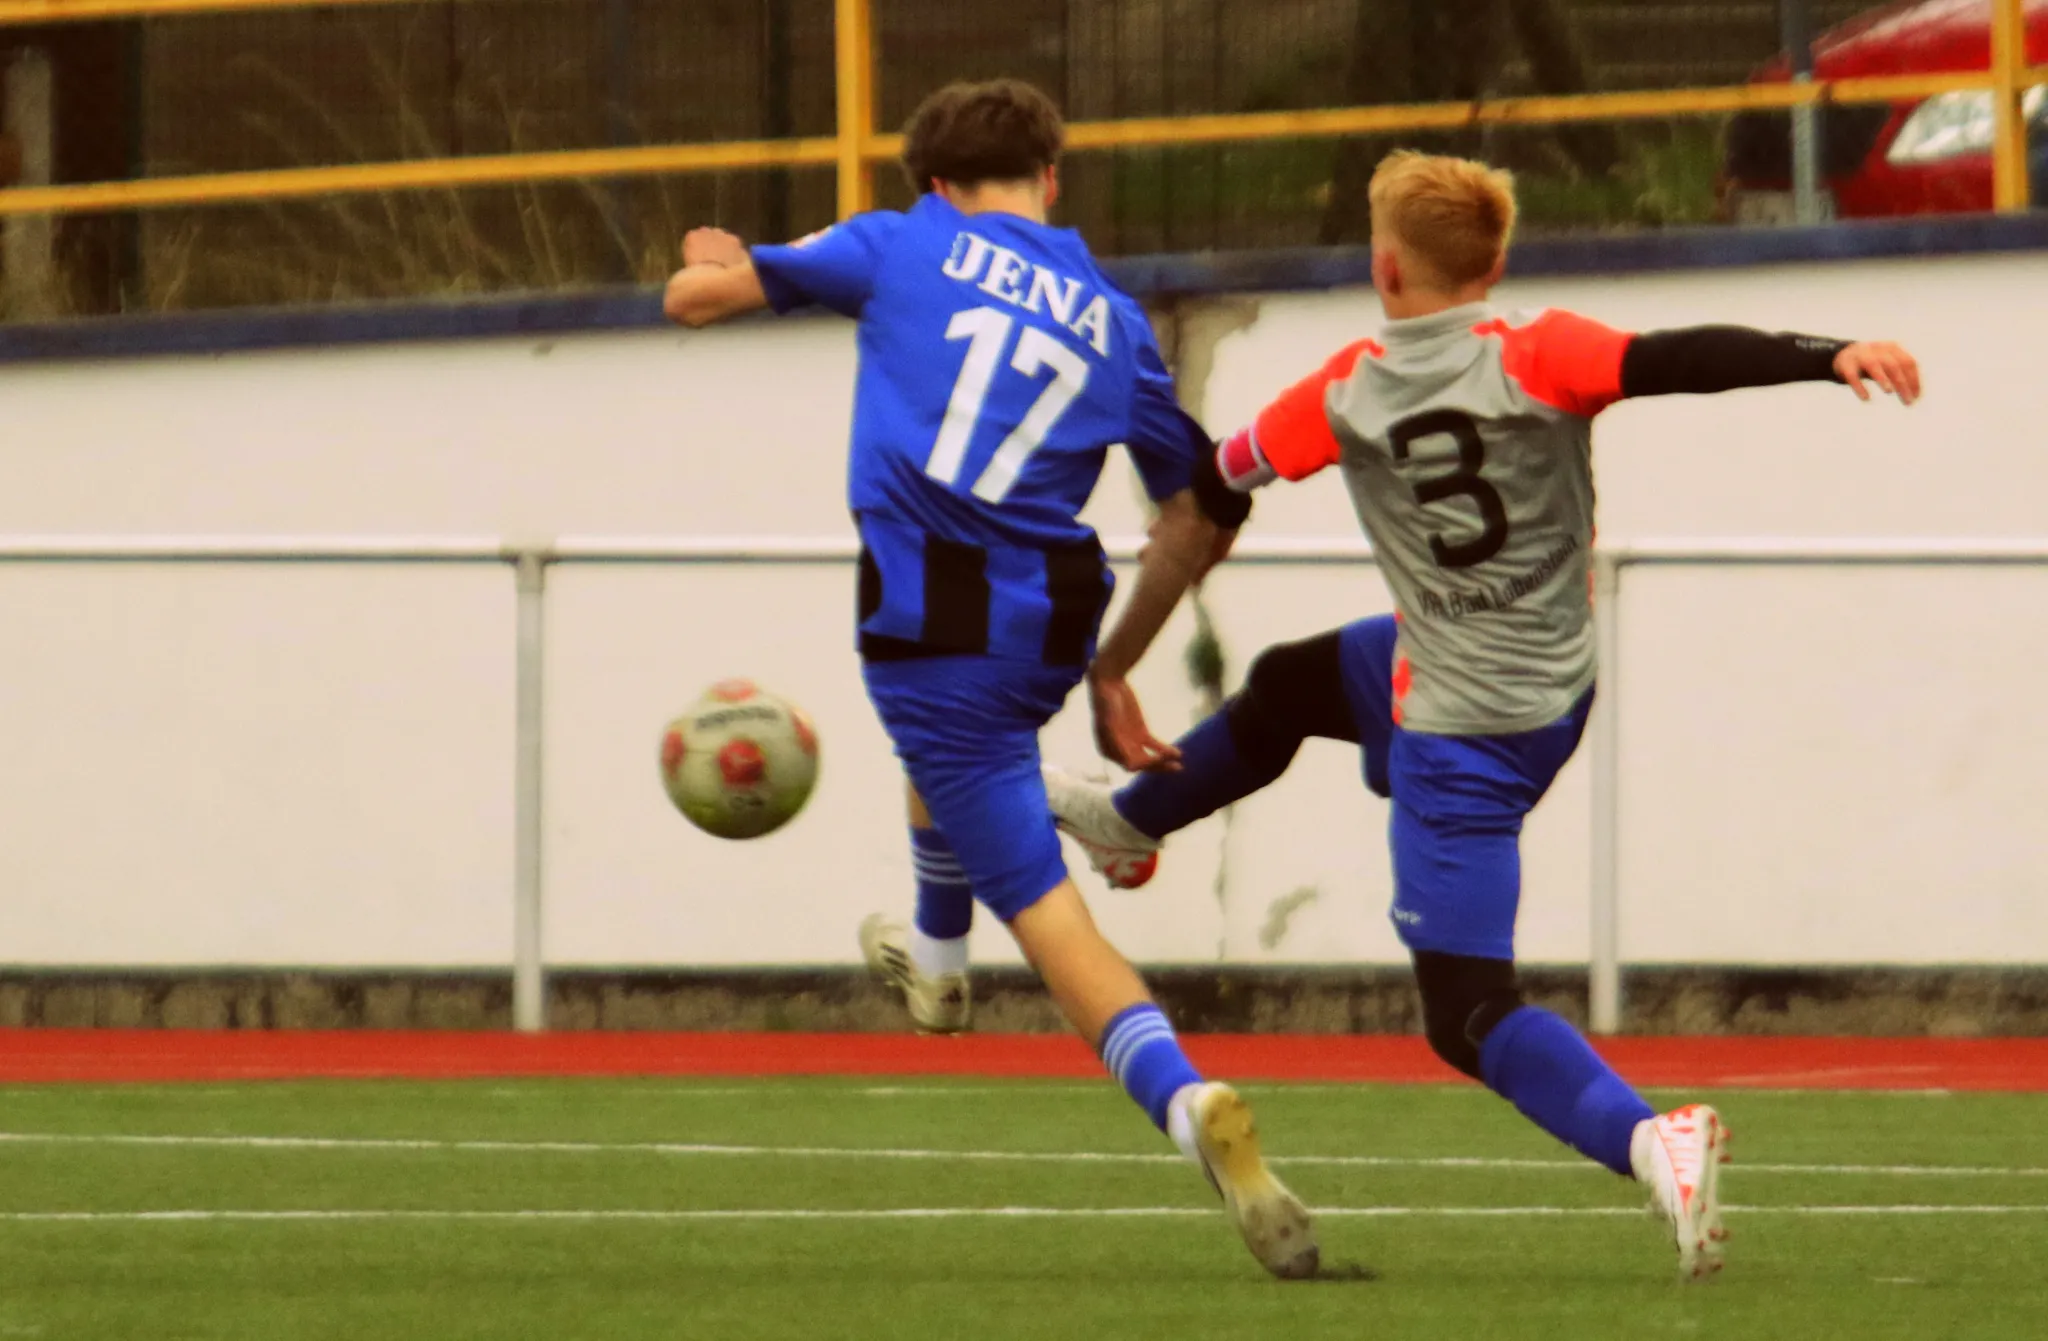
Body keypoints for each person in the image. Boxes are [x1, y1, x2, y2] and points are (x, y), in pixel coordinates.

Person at [1047, 149, 1922, 1282]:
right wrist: (1825, 354)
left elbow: (1207, 499)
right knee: (1295, 683)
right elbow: (1679, 359)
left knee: (1464, 1013)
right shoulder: (1541, 351)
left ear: (1382, 267)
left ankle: (1650, 1142)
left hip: (1461, 734)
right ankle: (1132, 823)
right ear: (1494, 264)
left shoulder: (1338, 392)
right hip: (1547, 684)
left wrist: (1115, 662)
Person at [662, 79, 1315, 1280]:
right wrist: (1114, 669)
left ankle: (1184, 1101)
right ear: (1050, 179)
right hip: (1047, 617)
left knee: (1036, 895)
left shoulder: (895, 241)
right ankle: (940, 972)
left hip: (929, 614)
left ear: (932, 182)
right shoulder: (1112, 319)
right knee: (951, 757)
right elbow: (1202, 510)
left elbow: (692, 300)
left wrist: (709, 259)